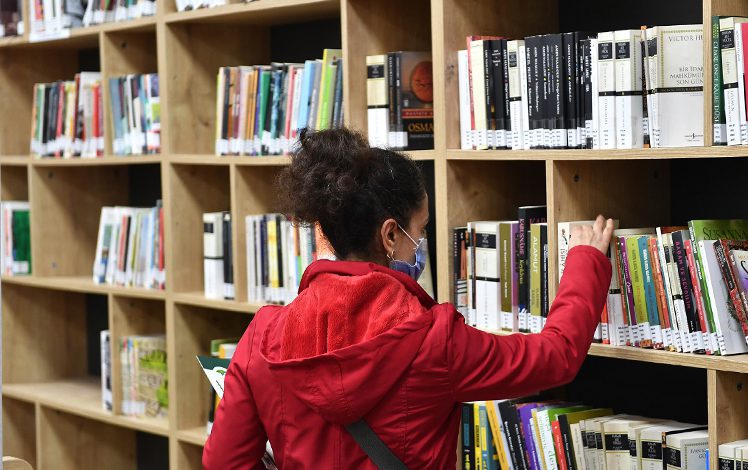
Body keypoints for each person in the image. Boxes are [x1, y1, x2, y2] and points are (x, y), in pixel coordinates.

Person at [203, 128, 615, 469]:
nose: (421, 244)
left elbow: (223, 461)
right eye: (420, 229)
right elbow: (556, 356)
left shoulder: (264, 335)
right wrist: (585, 262)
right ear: (389, 235)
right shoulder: (433, 340)